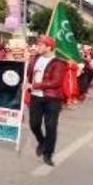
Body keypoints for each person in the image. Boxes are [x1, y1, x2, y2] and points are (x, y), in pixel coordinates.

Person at [26, 35, 66, 167]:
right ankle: (41, 141)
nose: (38, 46)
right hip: (36, 97)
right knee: (34, 124)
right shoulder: (34, 59)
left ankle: (48, 153)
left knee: (51, 127)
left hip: (52, 99)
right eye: (38, 44)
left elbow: (55, 82)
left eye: (41, 45)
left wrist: (35, 85)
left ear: (49, 47)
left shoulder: (59, 63)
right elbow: (28, 74)